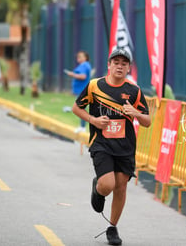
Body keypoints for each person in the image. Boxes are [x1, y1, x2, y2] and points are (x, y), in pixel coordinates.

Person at [72, 48, 151, 245]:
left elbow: (148, 121)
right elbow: (76, 108)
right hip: (102, 144)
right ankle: (98, 189)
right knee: (108, 184)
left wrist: (136, 113)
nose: (119, 66)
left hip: (125, 147)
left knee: (121, 187)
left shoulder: (134, 91)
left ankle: (112, 228)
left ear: (129, 68)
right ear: (109, 65)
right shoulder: (94, 86)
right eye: (116, 62)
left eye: (124, 63)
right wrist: (93, 120)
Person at [65, 50, 92, 133]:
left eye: (81, 56)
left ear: (85, 57)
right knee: (81, 107)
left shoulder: (84, 65)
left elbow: (83, 76)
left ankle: (83, 127)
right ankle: (82, 126)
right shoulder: (84, 65)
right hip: (81, 90)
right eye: (78, 57)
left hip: (82, 90)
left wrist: (72, 74)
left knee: (80, 108)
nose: (78, 58)